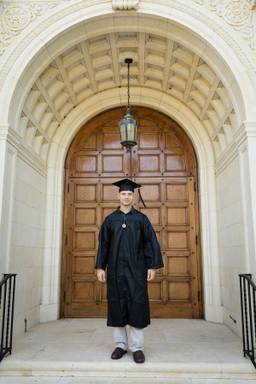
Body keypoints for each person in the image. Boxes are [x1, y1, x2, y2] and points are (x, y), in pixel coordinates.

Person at [95, 178, 163, 363]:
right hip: (116, 270)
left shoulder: (141, 219)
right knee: (117, 304)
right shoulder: (110, 220)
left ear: (133, 196)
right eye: (123, 193)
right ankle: (120, 345)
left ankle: (137, 348)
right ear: (118, 196)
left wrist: (152, 266)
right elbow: (104, 245)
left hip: (137, 270)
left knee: (137, 304)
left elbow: (151, 243)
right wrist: (100, 266)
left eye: (129, 194)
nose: (126, 197)